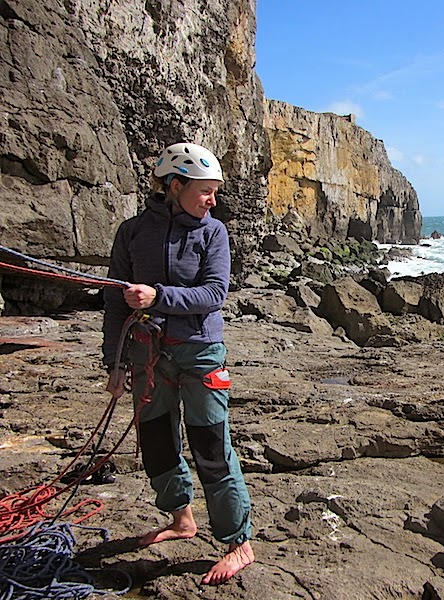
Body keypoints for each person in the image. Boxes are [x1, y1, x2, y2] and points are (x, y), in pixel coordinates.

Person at [102, 142, 254, 585]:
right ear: (174, 185)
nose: (212, 200)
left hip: (200, 350)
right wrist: (114, 363)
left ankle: (237, 544)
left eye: (214, 192)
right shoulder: (131, 232)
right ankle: (181, 519)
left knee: (209, 444)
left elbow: (213, 294)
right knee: (156, 441)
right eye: (205, 191)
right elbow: (114, 301)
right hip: (146, 352)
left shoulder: (214, 233)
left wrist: (157, 296)